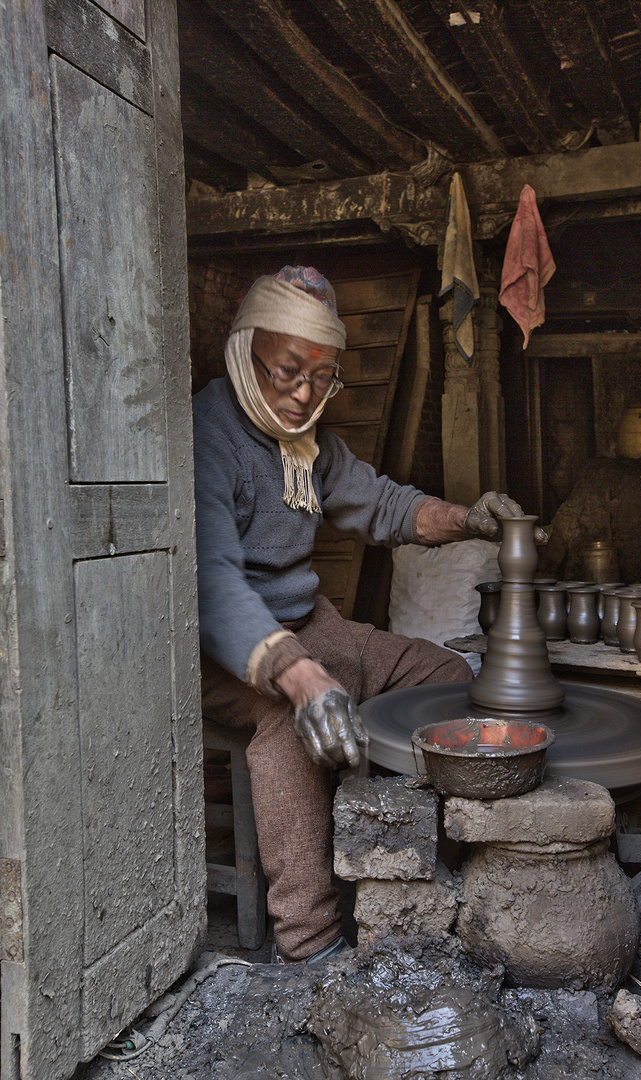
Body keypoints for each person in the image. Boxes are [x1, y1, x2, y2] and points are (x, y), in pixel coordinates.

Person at [193, 265, 542, 963]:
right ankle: (309, 940)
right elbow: (213, 583)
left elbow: (383, 505)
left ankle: (393, 857)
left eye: (322, 379)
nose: (301, 395)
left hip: (311, 626)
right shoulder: (205, 435)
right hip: (225, 647)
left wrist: (467, 518)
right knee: (293, 732)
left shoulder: (308, 441)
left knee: (443, 675)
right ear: (242, 349)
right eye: (287, 371)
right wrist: (299, 679)